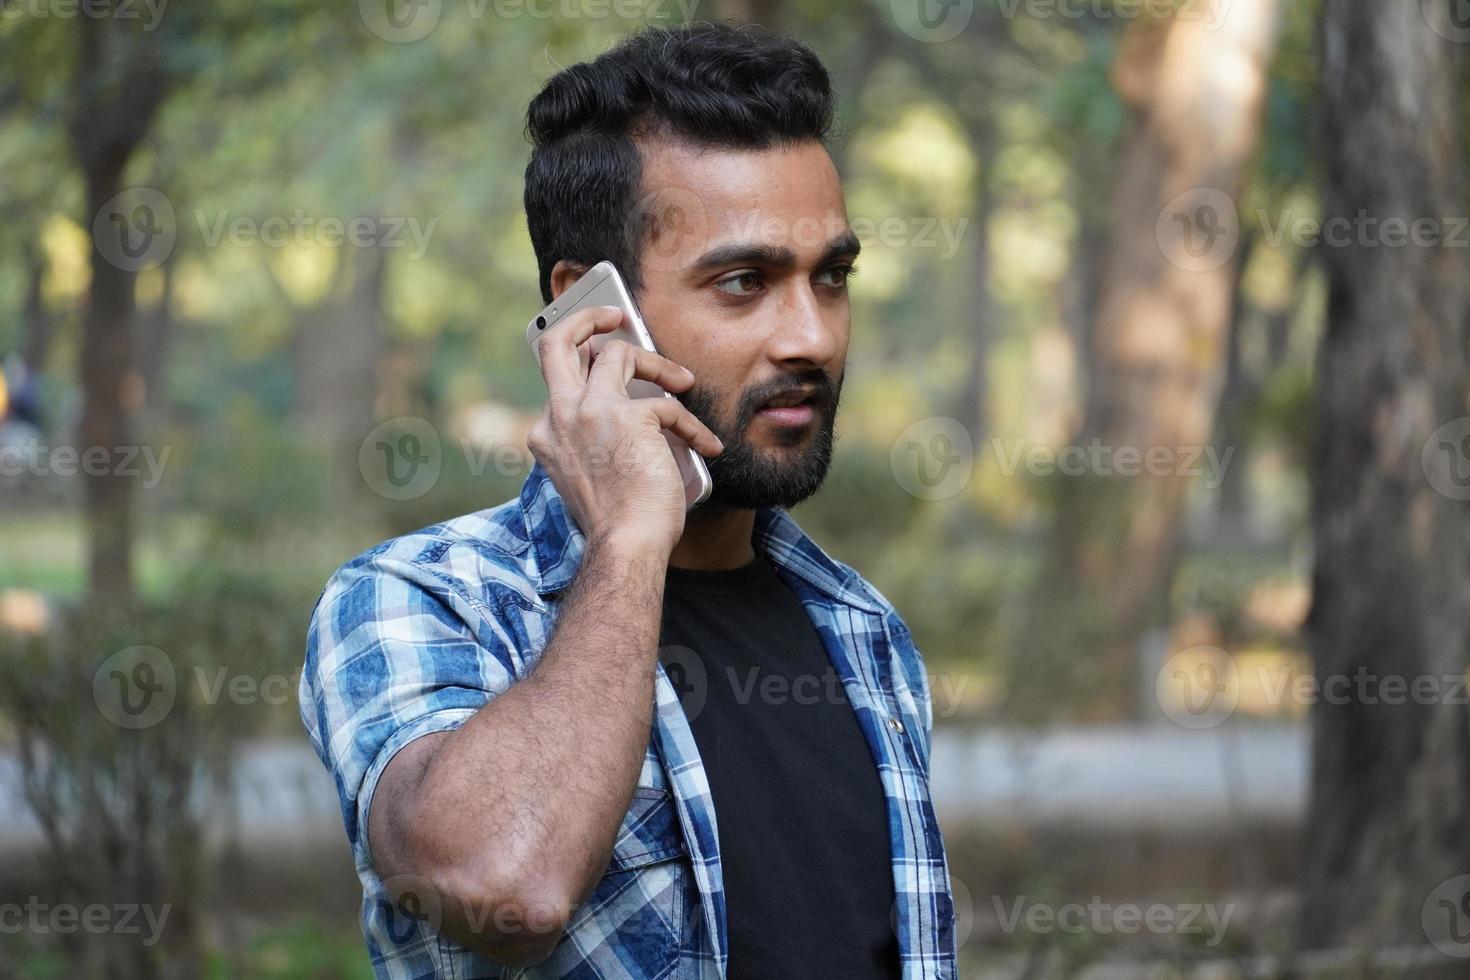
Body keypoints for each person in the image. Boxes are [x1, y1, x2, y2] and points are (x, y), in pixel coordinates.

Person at [299, 21, 955, 979]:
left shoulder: (863, 632)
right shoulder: (416, 601)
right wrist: (631, 539)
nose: (811, 335)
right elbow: (504, 885)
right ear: (593, 316)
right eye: (745, 282)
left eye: (832, 276)